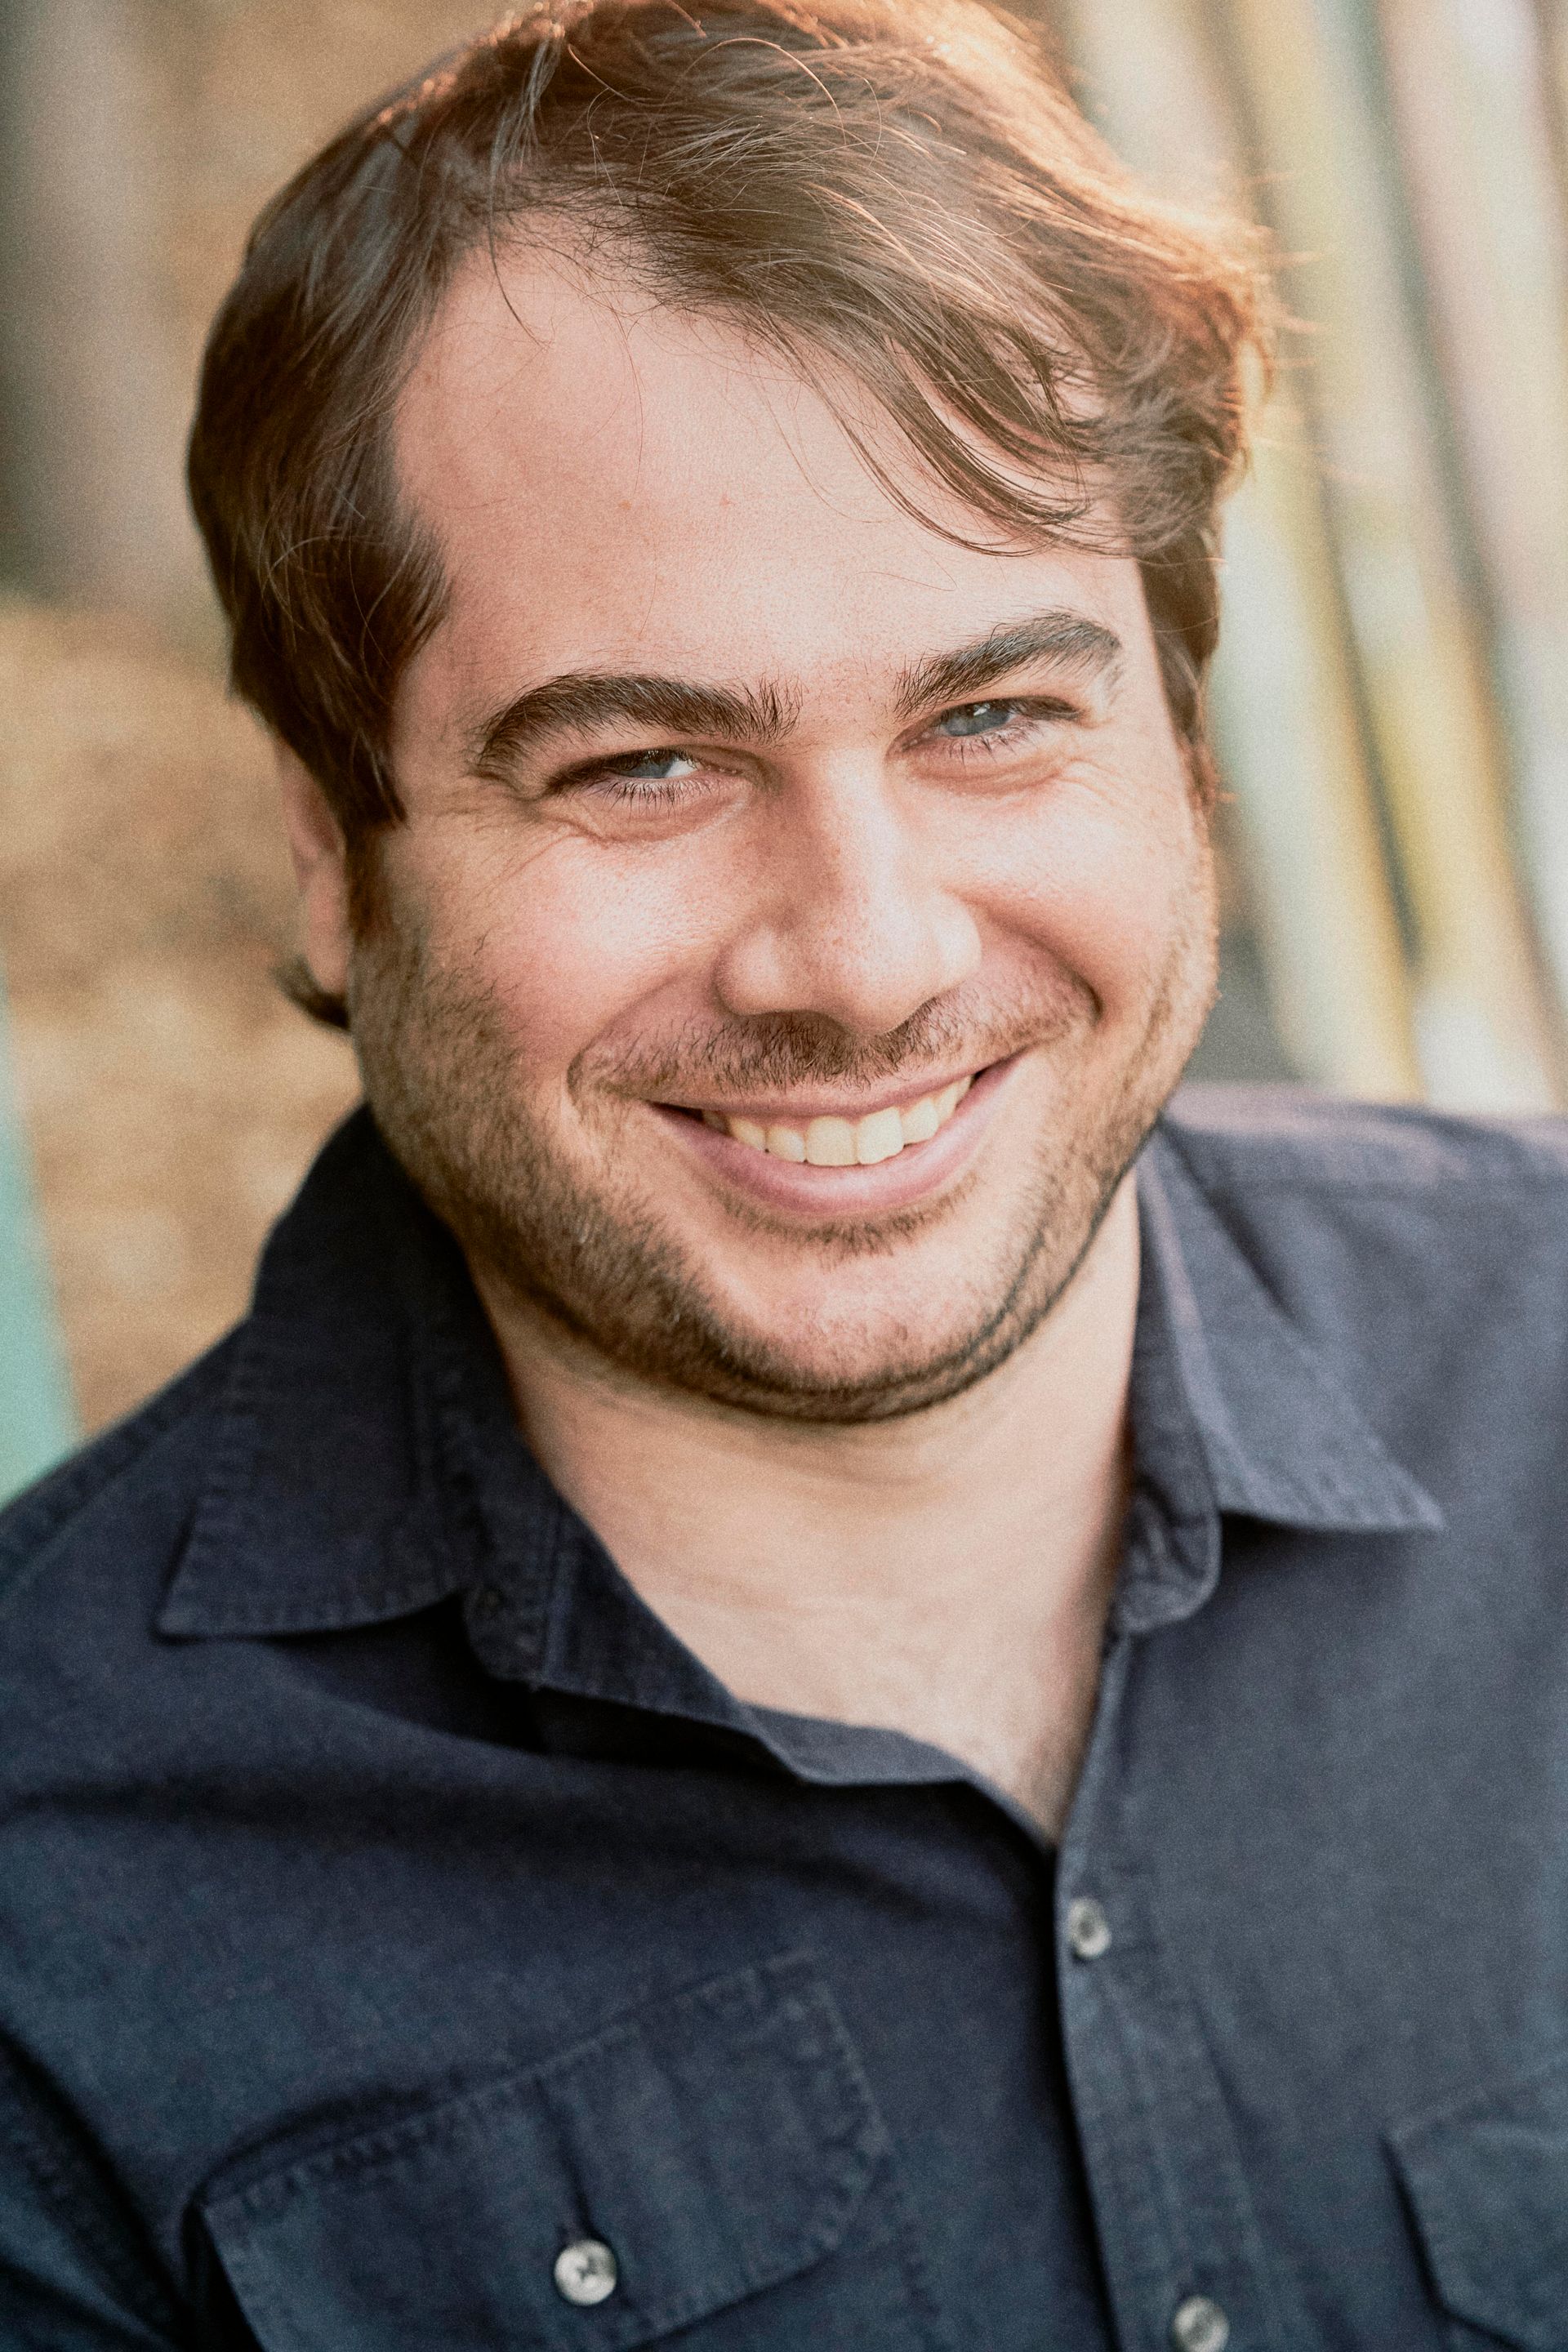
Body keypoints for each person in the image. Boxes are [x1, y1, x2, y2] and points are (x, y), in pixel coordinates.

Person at [2, 2, 1565, 2344]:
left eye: (994, 716)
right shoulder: (51, 1906)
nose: (865, 956)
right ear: (334, 857)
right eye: (640, 763)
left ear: (1185, 756)